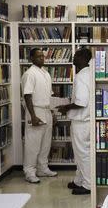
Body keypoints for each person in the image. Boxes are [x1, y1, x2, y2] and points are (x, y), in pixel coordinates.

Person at [57, 48, 92, 195]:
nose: (73, 56)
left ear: (83, 58)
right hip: (88, 120)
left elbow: (81, 102)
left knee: (82, 154)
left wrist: (65, 107)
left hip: (81, 122)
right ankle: (80, 180)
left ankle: (88, 185)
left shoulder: (80, 76)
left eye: (76, 55)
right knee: (81, 154)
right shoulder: (90, 73)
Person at [21, 48, 57, 183]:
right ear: (31, 58)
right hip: (35, 111)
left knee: (45, 143)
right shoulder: (29, 74)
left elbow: (49, 96)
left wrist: (52, 113)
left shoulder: (46, 74)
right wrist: (33, 116)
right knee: (33, 143)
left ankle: (43, 168)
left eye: (43, 56)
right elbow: (27, 95)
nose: (42, 58)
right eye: (38, 56)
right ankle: (29, 172)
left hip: (46, 110)